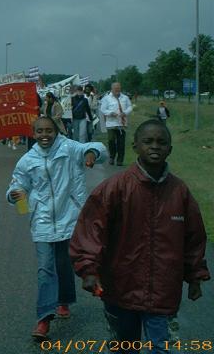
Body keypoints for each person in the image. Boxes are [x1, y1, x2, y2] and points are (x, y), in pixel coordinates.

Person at [70, 120, 210, 353]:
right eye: (148, 141)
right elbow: (90, 230)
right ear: (135, 146)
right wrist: (88, 270)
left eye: (161, 142)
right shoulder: (115, 188)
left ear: (170, 149)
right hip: (120, 291)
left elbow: (193, 239)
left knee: (161, 348)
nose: (155, 146)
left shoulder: (180, 192)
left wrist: (195, 276)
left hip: (164, 294)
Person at [6, 116, 107, 340]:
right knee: (45, 269)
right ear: (33, 133)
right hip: (41, 220)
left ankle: (64, 301)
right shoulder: (27, 159)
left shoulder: (70, 149)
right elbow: (18, 183)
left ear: (56, 131)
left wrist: (92, 154)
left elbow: (97, 146)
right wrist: (15, 195)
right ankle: (43, 318)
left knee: (64, 263)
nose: (44, 135)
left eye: (49, 130)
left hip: (70, 217)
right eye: (40, 131)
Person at [100, 82, 132, 166]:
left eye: (119, 88)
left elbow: (130, 107)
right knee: (111, 140)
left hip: (121, 123)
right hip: (111, 123)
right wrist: (110, 113)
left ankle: (120, 160)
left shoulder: (125, 98)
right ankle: (112, 156)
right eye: (116, 88)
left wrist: (125, 113)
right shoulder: (106, 98)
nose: (117, 90)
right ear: (112, 89)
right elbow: (103, 109)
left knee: (121, 142)